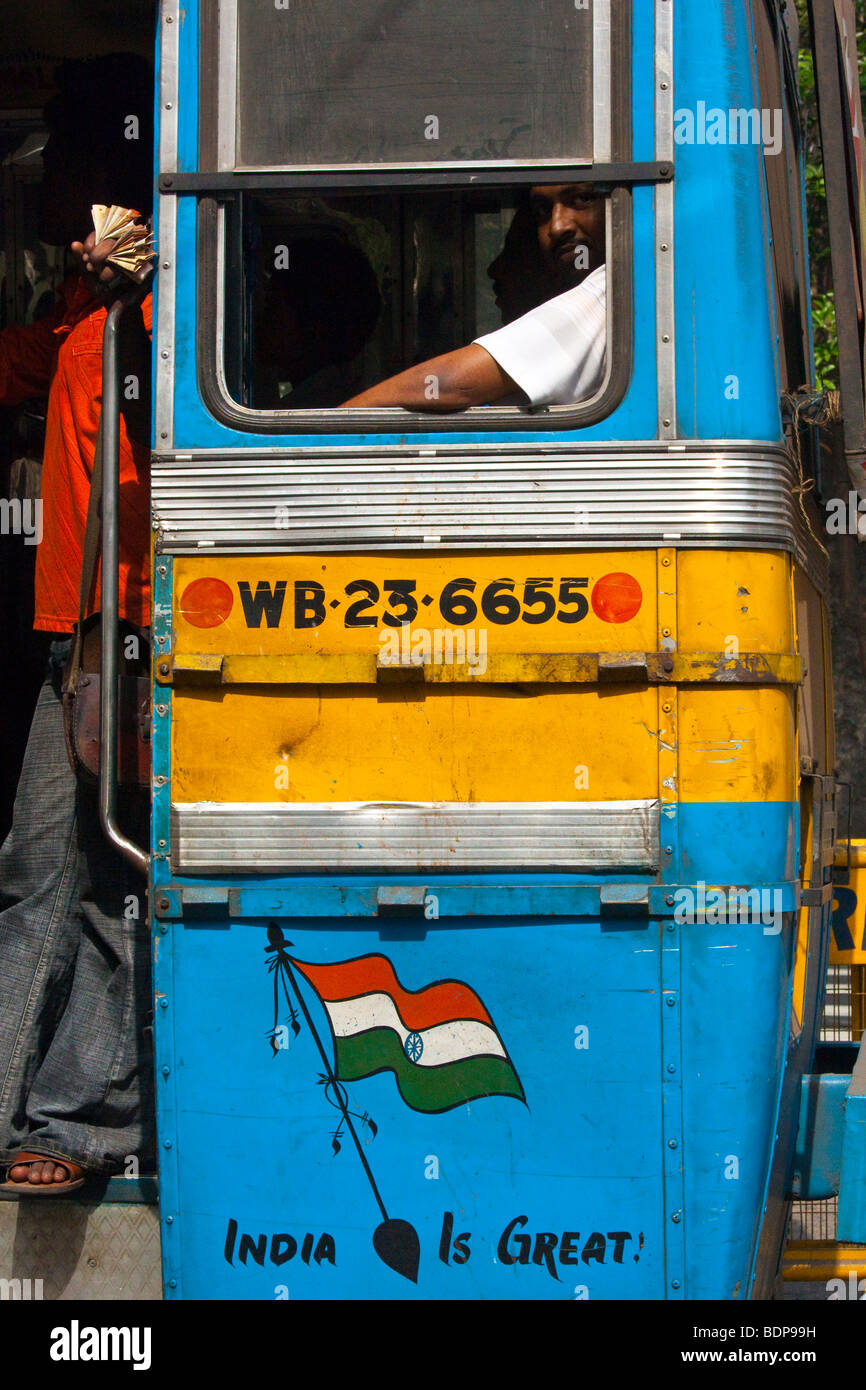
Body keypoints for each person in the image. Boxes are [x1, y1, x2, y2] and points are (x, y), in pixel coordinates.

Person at [0, 54, 155, 1194]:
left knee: (86, 876)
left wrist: (103, 641)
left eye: (67, 149)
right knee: (49, 872)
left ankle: (73, 1119)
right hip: (81, 625)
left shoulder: (162, 304)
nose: (49, 172)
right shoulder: (90, 310)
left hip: (122, 626)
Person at [341, 183, 606, 411]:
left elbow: (449, 383)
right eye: (542, 212)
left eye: (582, 199)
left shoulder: (608, 292)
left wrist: (327, 427)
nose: (557, 227)